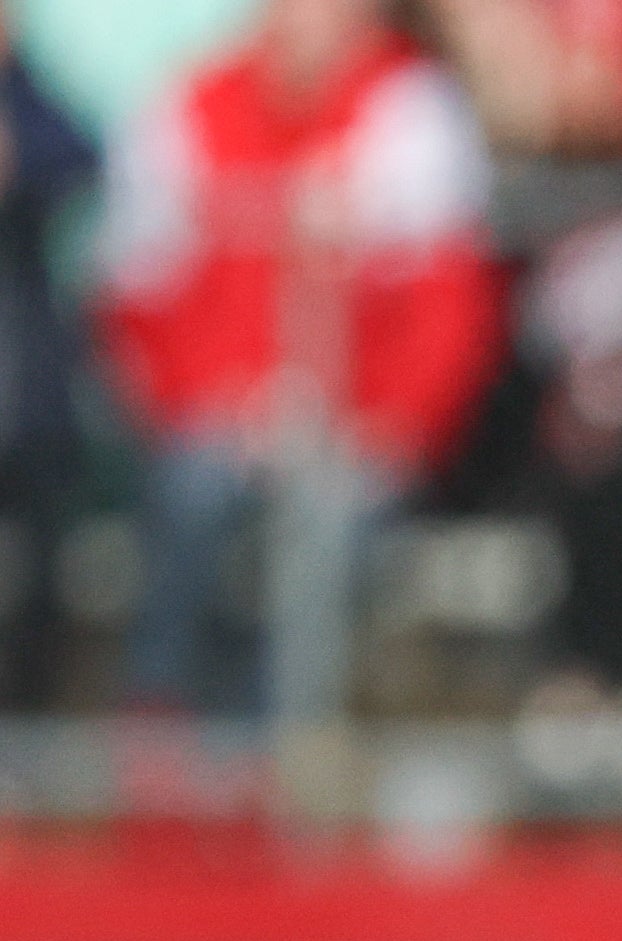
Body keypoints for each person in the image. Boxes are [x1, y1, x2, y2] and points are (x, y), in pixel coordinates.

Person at [89, 0, 503, 714]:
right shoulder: (193, 106)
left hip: (355, 427)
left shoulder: (412, 112)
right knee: (193, 496)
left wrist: (390, 422)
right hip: (225, 419)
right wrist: (215, 401)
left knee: (336, 521)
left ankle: (269, 739)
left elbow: (450, 310)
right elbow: (138, 301)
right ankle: (159, 717)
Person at [0, 0, 93, 710]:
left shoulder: (29, 98)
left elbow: (80, 157)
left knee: (41, 561)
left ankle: (32, 713)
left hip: (23, 392)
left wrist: (16, 156)